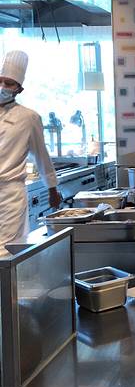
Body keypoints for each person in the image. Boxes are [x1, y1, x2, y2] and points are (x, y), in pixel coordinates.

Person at [0, 51, 61, 257]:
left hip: (10, 196)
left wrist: (52, 189)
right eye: (0, 81)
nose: (2, 87)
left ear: (19, 89)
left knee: (6, 251)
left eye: (9, 83)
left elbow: (41, 156)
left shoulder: (29, 118)